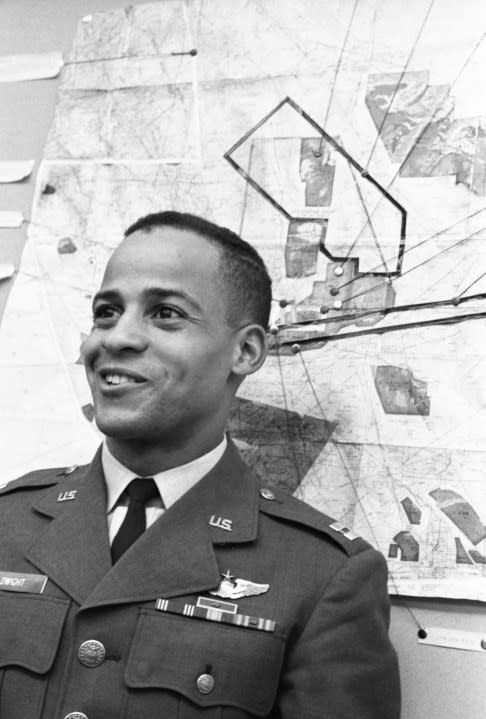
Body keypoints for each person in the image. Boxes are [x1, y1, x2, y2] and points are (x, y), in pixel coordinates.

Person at [0, 211, 400, 719]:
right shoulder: (8, 521)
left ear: (246, 351)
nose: (115, 338)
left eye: (166, 313)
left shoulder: (325, 575)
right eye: (105, 312)